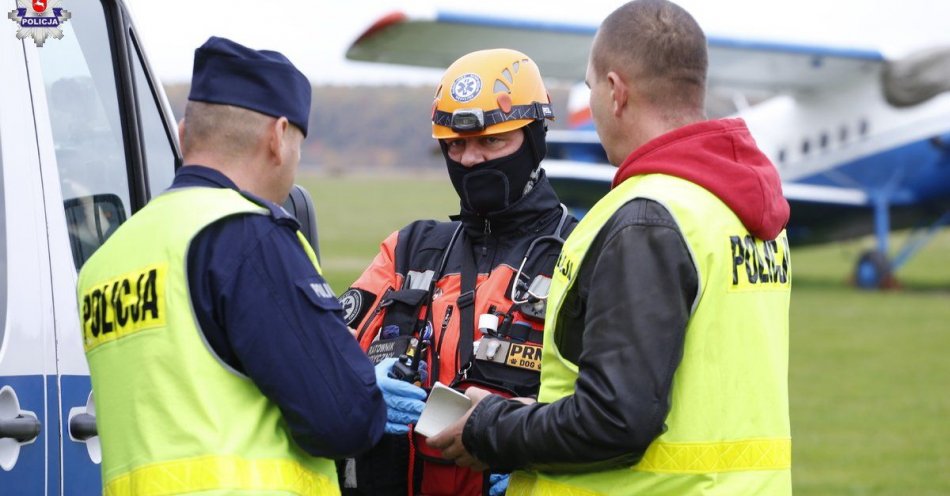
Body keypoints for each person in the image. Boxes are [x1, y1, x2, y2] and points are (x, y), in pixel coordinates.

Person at [428, 1, 794, 494]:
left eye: (589, 87)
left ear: (616, 91)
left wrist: (489, 426)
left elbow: (616, 419)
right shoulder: (738, 208)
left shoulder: (647, 217)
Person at [76, 36, 386, 495]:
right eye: (298, 145)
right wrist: (367, 387)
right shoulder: (247, 235)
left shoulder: (105, 261)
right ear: (279, 138)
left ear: (184, 134)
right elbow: (344, 420)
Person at [337, 48, 577, 496]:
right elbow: (321, 358)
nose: (469, 160)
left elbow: (611, 408)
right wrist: (361, 387)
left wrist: (531, 439)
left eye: (491, 142)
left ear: (535, 139)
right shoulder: (408, 250)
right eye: (455, 144)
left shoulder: (578, 253)